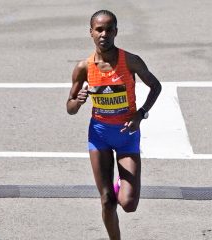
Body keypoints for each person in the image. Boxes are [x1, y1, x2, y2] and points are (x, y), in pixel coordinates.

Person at [66, 10, 161, 240]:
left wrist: (141, 114)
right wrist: (77, 102)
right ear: (91, 32)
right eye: (99, 29)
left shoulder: (130, 60)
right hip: (99, 135)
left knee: (128, 204)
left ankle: (120, 185)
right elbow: (69, 107)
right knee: (107, 200)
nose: (104, 34)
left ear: (116, 32)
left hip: (127, 135)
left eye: (109, 29)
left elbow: (155, 86)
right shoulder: (84, 67)